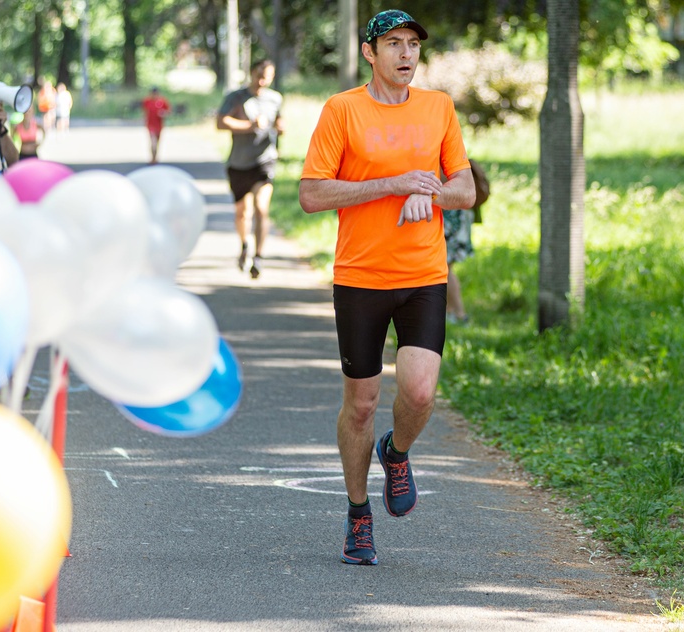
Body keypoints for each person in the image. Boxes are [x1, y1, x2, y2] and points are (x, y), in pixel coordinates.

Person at [299, 10, 475, 565]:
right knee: (362, 403)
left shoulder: (438, 108)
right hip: (361, 278)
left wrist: (432, 195)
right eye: (393, 44)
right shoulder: (342, 110)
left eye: (413, 45)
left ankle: (395, 453)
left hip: (424, 274)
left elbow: (465, 188)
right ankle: (357, 515)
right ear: (369, 53)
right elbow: (312, 194)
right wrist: (393, 184)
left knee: (420, 392)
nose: (406, 54)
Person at [216, 59, 283, 279]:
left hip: (264, 160)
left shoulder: (275, 99)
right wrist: (249, 126)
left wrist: (280, 128)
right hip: (239, 163)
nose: (263, 80)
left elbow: (279, 123)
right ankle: (245, 244)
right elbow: (220, 122)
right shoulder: (236, 97)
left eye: (268, 76)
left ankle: (259, 257)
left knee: (261, 208)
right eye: (260, 75)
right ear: (252, 73)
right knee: (242, 212)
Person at [443, 158, 489, 325]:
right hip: (458, 215)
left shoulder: (442, 154)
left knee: (446, 269)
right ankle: (449, 312)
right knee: (446, 268)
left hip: (454, 216)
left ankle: (461, 314)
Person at [141, 87, 171, 164]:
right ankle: (152, 159)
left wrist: (163, 113)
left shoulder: (162, 101)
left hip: (159, 125)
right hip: (150, 125)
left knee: (157, 142)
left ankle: (155, 157)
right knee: (153, 141)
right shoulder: (147, 101)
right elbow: (144, 112)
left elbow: (168, 112)